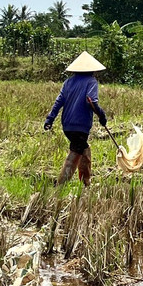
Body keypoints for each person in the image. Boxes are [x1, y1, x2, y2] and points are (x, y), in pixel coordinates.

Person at [44, 51, 109, 186]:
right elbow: (91, 100)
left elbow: (59, 102)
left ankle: (86, 182)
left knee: (84, 149)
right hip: (81, 125)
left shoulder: (68, 82)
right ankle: (60, 185)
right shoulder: (91, 81)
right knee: (75, 152)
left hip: (67, 125)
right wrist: (102, 116)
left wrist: (50, 119)